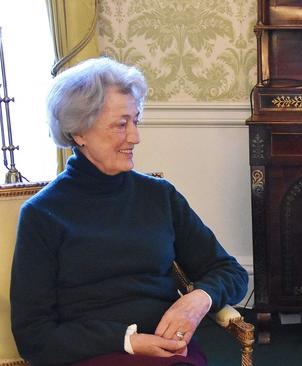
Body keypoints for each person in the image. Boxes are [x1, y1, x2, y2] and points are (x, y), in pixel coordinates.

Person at [10, 58, 248, 366]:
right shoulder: (42, 214)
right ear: (79, 131)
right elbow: (34, 335)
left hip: (169, 353)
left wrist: (197, 299)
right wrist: (128, 342)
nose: (135, 137)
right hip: (89, 354)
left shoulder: (160, 196)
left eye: (136, 121)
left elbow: (231, 272)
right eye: (121, 124)